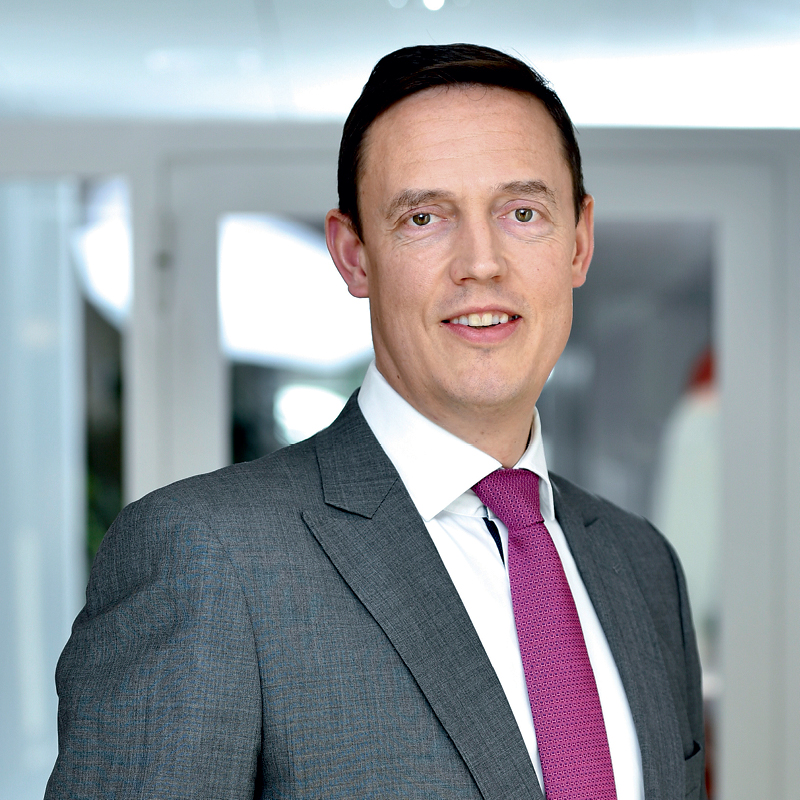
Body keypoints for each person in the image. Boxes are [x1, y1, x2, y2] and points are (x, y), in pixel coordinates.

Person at [46, 44, 705, 800]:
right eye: (424, 217)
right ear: (354, 255)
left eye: (523, 213)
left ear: (579, 241)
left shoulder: (643, 566)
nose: (482, 263)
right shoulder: (209, 558)